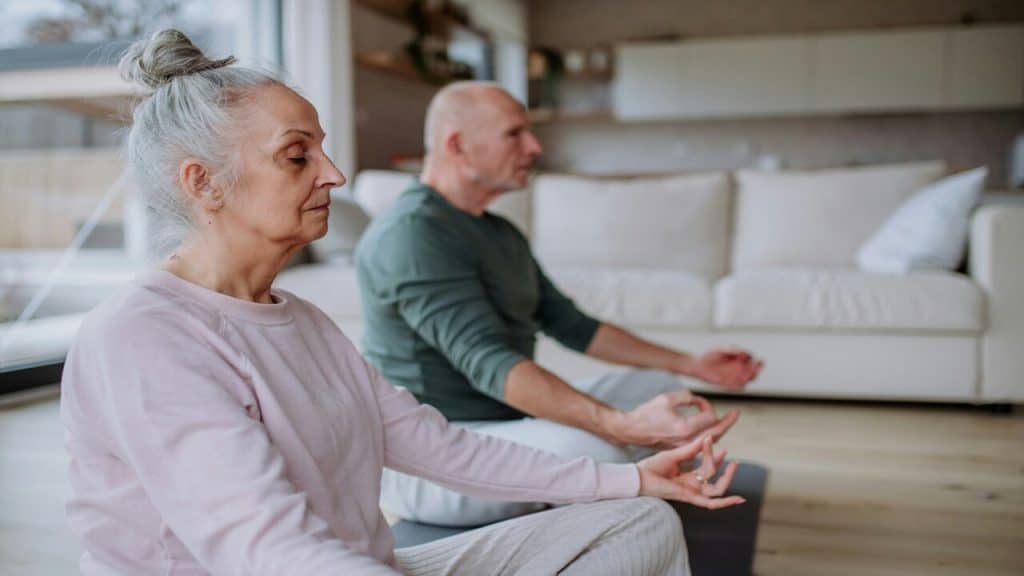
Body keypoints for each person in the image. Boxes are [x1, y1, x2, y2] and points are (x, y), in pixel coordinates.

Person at [60, 30, 746, 576]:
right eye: (298, 156)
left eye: (322, 150)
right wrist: (618, 433)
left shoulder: (302, 321)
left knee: (639, 521)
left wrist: (627, 481)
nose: (334, 173)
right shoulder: (145, 336)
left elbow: (434, 443)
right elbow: (267, 550)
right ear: (203, 184)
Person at [356, 81, 764, 527]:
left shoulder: (498, 232)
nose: (534, 146)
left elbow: (570, 324)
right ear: (458, 145)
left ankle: (612, 482)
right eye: (514, 134)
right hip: (438, 458)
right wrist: (618, 426)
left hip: (505, 424)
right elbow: (489, 362)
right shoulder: (413, 235)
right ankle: (613, 483)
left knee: (659, 391)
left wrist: (692, 364)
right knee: (599, 450)